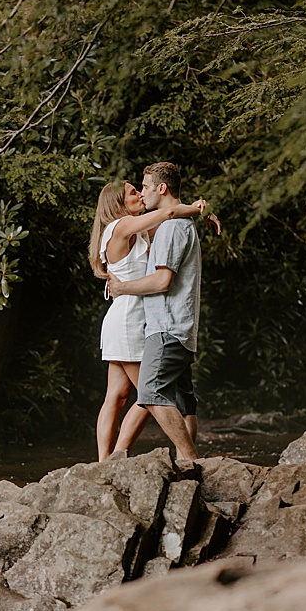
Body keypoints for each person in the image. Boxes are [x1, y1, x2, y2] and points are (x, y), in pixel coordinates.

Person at [88, 180, 210, 461]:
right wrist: (194, 208)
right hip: (131, 317)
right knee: (151, 393)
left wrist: (203, 211)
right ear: (118, 203)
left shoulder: (133, 229)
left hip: (122, 315)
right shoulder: (120, 227)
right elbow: (168, 213)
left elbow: (171, 217)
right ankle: (118, 455)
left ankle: (104, 461)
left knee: (117, 397)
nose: (141, 195)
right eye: (133, 192)